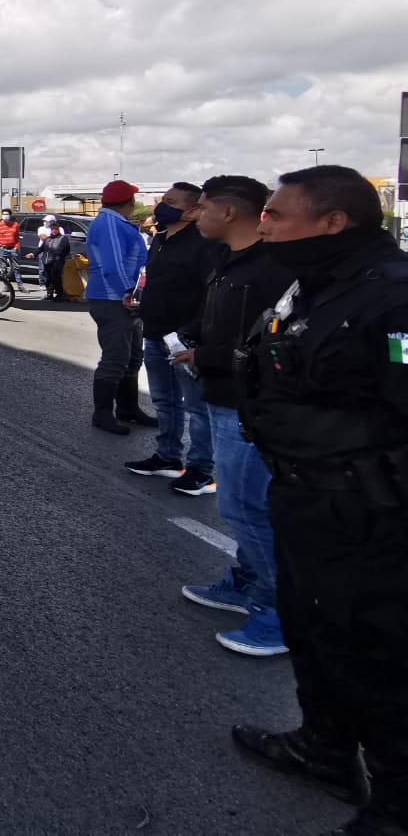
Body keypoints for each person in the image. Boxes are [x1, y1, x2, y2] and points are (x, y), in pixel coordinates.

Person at [228, 165, 408, 834]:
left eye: (277, 214)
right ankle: (324, 748)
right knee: (314, 633)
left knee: (378, 658)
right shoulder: (317, 284)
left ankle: (395, 806)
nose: (265, 223)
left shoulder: (393, 297)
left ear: (333, 222)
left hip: (370, 516)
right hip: (305, 499)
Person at [174, 175, 293, 657]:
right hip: (222, 394)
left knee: (246, 509)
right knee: (242, 507)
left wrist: (208, 358)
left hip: (250, 404)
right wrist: (192, 340)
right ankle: (246, 583)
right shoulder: (228, 260)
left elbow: (272, 346)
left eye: (201, 207)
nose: (193, 214)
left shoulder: (273, 268)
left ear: (228, 212)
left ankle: (280, 612)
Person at [125, 182, 218, 495]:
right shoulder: (161, 238)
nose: (159, 206)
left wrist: (190, 333)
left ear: (192, 211)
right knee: (164, 401)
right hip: (155, 331)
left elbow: (211, 294)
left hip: (185, 339)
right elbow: (157, 281)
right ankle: (168, 458)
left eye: (169, 201)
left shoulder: (204, 243)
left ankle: (201, 470)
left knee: (196, 407)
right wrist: (139, 301)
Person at [85, 180, 152, 435]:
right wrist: (128, 292)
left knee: (133, 357)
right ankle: (102, 414)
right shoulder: (110, 223)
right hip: (113, 298)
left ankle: (128, 408)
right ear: (129, 202)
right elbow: (113, 265)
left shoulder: (116, 222)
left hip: (122, 297)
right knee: (116, 358)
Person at [40, 218, 72, 301]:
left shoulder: (62, 238)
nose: (53, 231)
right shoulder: (48, 239)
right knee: (48, 278)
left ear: (58, 230)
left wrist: (59, 256)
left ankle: (59, 294)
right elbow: (41, 248)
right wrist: (33, 254)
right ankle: (49, 293)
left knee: (56, 278)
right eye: (52, 229)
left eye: (55, 229)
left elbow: (66, 250)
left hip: (57, 261)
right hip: (47, 260)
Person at [0, 208, 22, 286]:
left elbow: (17, 236)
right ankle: (6, 285)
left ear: (10, 215)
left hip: (13, 248)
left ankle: (20, 285)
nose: (5, 216)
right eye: (4, 214)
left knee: (16, 266)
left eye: (7, 214)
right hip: (2, 248)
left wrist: (16, 246)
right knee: (3, 267)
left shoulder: (15, 225)